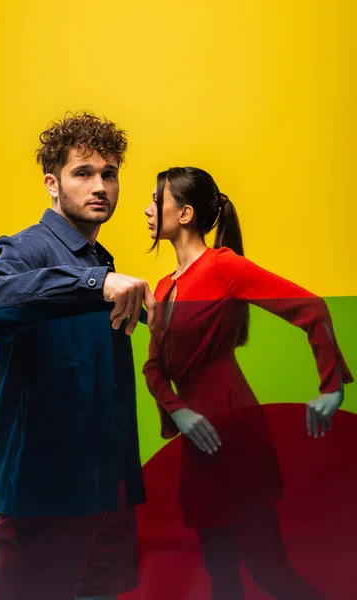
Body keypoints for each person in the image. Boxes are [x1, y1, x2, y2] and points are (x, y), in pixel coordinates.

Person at [0, 111, 156, 600]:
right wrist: (94, 284)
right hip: (46, 494)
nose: (100, 186)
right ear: (52, 183)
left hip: (106, 485)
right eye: (83, 173)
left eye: (109, 174)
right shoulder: (28, 248)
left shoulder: (100, 260)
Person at [142, 167, 353, 600]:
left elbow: (310, 307)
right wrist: (178, 411)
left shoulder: (223, 267)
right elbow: (153, 369)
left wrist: (332, 386)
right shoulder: (163, 288)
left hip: (236, 432)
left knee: (269, 571)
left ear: (183, 214)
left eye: (155, 200)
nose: (146, 210)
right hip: (196, 441)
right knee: (219, 572)